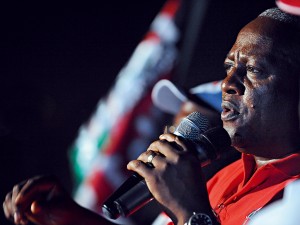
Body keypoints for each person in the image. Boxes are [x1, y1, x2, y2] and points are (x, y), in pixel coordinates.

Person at [3, 7, 300, 225]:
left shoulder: (295, 195)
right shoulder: (225, 178)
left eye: (254, 71)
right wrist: (73, 220)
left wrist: (191, 213)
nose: (227, 84)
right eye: (228, 68)